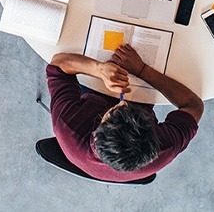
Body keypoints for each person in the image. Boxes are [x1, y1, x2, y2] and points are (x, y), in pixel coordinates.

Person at [46, 44, 203, 182]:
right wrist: (142, 70)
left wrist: (99, 69)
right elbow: (194, 106)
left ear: (96, 133)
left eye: (115, 112)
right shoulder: (164, 148)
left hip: (93, 94)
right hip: (140, 91)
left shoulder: (68, 125)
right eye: (128, 108)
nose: (124, 102)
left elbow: (57, 65)